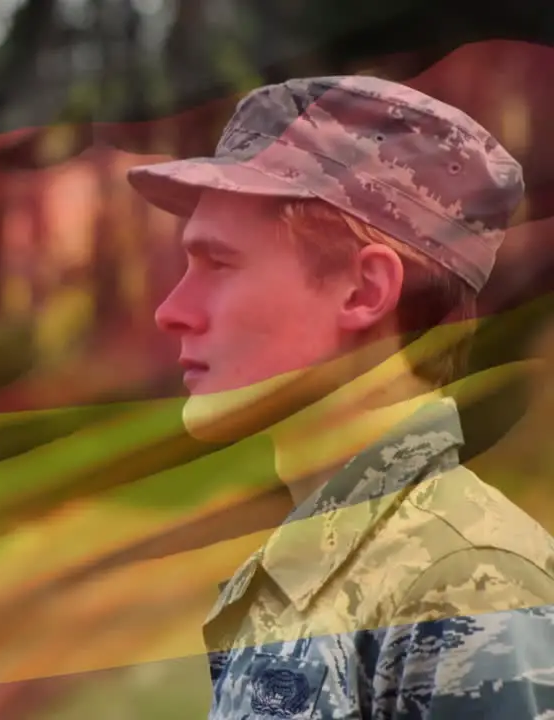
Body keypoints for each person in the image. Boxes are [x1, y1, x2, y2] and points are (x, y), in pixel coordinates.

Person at [127, 76, 554, 717]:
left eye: (218, 264)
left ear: (363, 291)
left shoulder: (464, 585)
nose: (172, 311)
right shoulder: (329, 567)